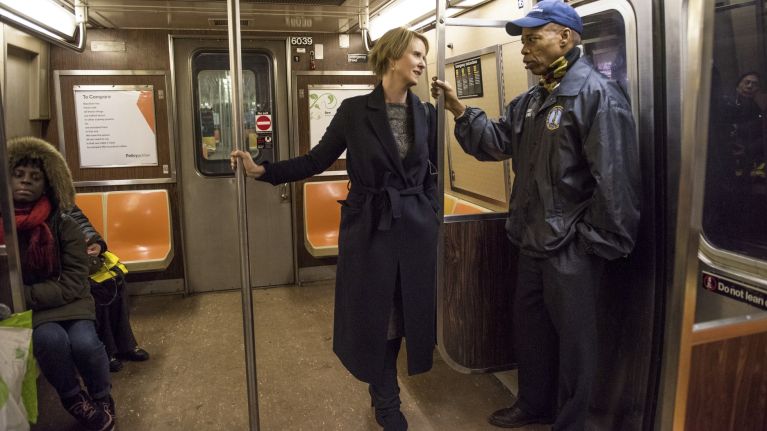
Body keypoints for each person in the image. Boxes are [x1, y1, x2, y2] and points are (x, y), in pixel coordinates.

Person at [431, 1, 640, 429]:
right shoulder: (532, 99)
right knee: (533, 335)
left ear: (564, 37)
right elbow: (494, 142)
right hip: (531, 240)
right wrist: (458, 109)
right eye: (522, 41)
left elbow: (615, 184)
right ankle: (534, 404)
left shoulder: (595, 96)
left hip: (573, 249)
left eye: (532, 38)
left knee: (578, 347)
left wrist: (589, 245)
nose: (524, 49)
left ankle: (573, 422)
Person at [231, 27, 437, 431]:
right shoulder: (355, 112)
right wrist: (264, 171)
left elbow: (431, 175)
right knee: (377, 315)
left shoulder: (427, 113)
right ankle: (386, 397)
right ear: (393, 58)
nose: (422, 63)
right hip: (371, 228)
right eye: (416, 54)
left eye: (424, 56)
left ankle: (384, 385)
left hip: (414, 229)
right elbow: (315, 160)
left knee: (405, 312)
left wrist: (430, 212)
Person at [0, 136, 116, 431]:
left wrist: (23, 295)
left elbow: (76, 281)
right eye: (19, 174)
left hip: (69, 301)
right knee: (50, 341)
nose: (26, 182)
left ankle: (102, 397)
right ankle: (74, 399)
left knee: (85, 344)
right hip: (34, 311)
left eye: (35, 177)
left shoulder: (63, 224)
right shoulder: (4, 228)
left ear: (48, 183)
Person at [67, 204, 150, 372]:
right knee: (98, 291)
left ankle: (125, 344)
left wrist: (94, 242)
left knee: (114, 280)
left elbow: (80, 222)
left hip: (79, 253)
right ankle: (106, 349)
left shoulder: (57, 196)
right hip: (62, 262)